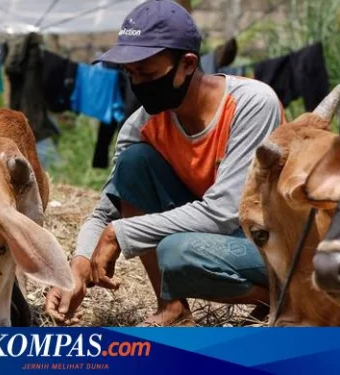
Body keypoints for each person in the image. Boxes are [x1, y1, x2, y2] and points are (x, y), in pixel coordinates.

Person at [45, 0, 285, 326]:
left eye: (147, 72)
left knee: (177, 253)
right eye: (131, 74)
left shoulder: (251, 104)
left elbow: (223, 211)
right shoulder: (141, 125)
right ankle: (172, 309)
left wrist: (120, 234)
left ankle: (292, 297)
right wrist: (78, 264)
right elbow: (106, 210)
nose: (138, 84)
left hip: (276, 244)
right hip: (218, 238)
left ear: (187, 64)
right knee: (133, 164)